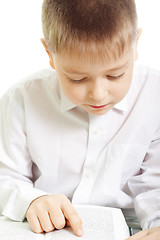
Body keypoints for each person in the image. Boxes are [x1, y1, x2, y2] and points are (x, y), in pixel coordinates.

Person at [0, 0, 160, 239]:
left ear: (136, 45)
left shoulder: (154, 96)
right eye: (77, 79)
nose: (98, 93)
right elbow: (5, 176)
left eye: (115, 75)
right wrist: (32, 199)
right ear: (50, 54)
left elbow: (155, 187)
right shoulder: (22, 99)